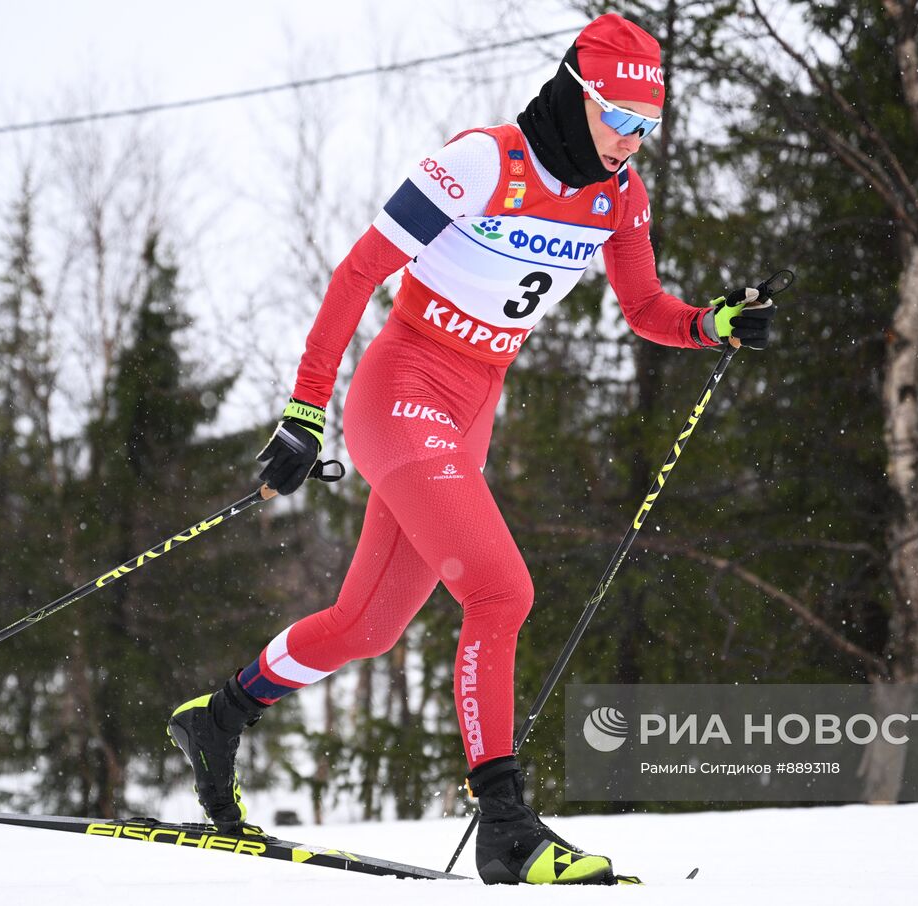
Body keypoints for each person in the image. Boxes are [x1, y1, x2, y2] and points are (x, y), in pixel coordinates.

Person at [166, 12, 775, 886]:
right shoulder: (484, 161)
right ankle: (507, 825)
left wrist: (712, 324)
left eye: (649, 128)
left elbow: (645, 310)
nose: (631, 143)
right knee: (501, 592)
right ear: (578, 96)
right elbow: (357, 274)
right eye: (620, 120)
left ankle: (221, 715)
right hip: (401, 390)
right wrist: (304, 412)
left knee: (367, 627)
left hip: (470, 412)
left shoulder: (620, 198)